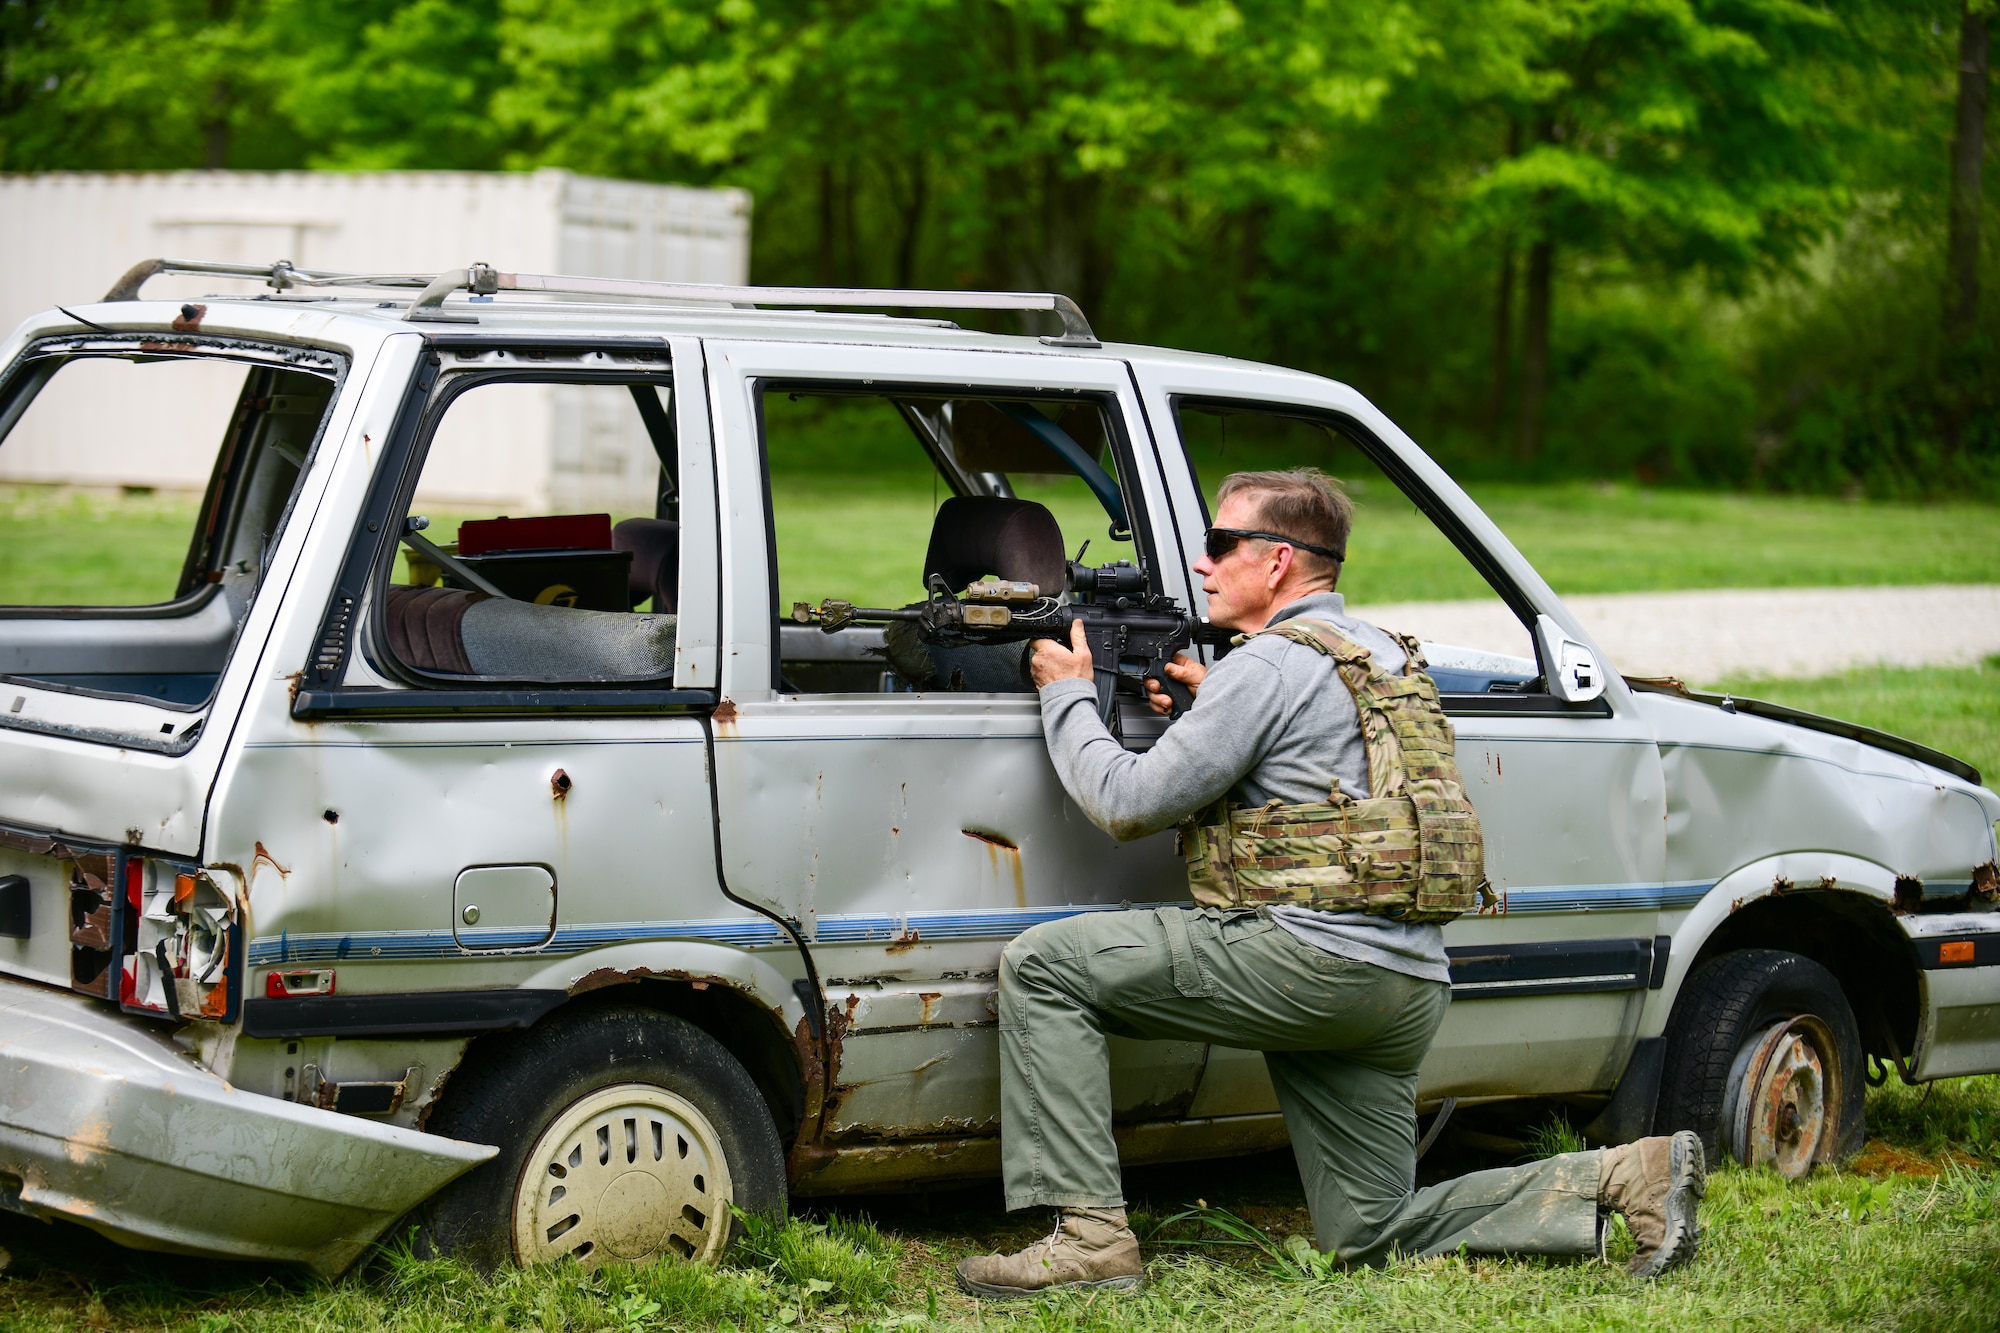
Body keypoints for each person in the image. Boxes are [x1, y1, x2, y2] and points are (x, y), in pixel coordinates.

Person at [953, 467, 1705, 1300]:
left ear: (1278, 562)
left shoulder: (1267, 667)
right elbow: (1314, 766)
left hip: (1312, 966)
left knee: (1045, 966)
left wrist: (1065, 698)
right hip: (1405, 982)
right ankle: (1627, 1176)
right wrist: (1214, 716)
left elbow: (1126, 804)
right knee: (1371, 1228)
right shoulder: (1377, 654)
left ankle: (1089, 1240)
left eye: (1219, 543)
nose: (1201, 565)